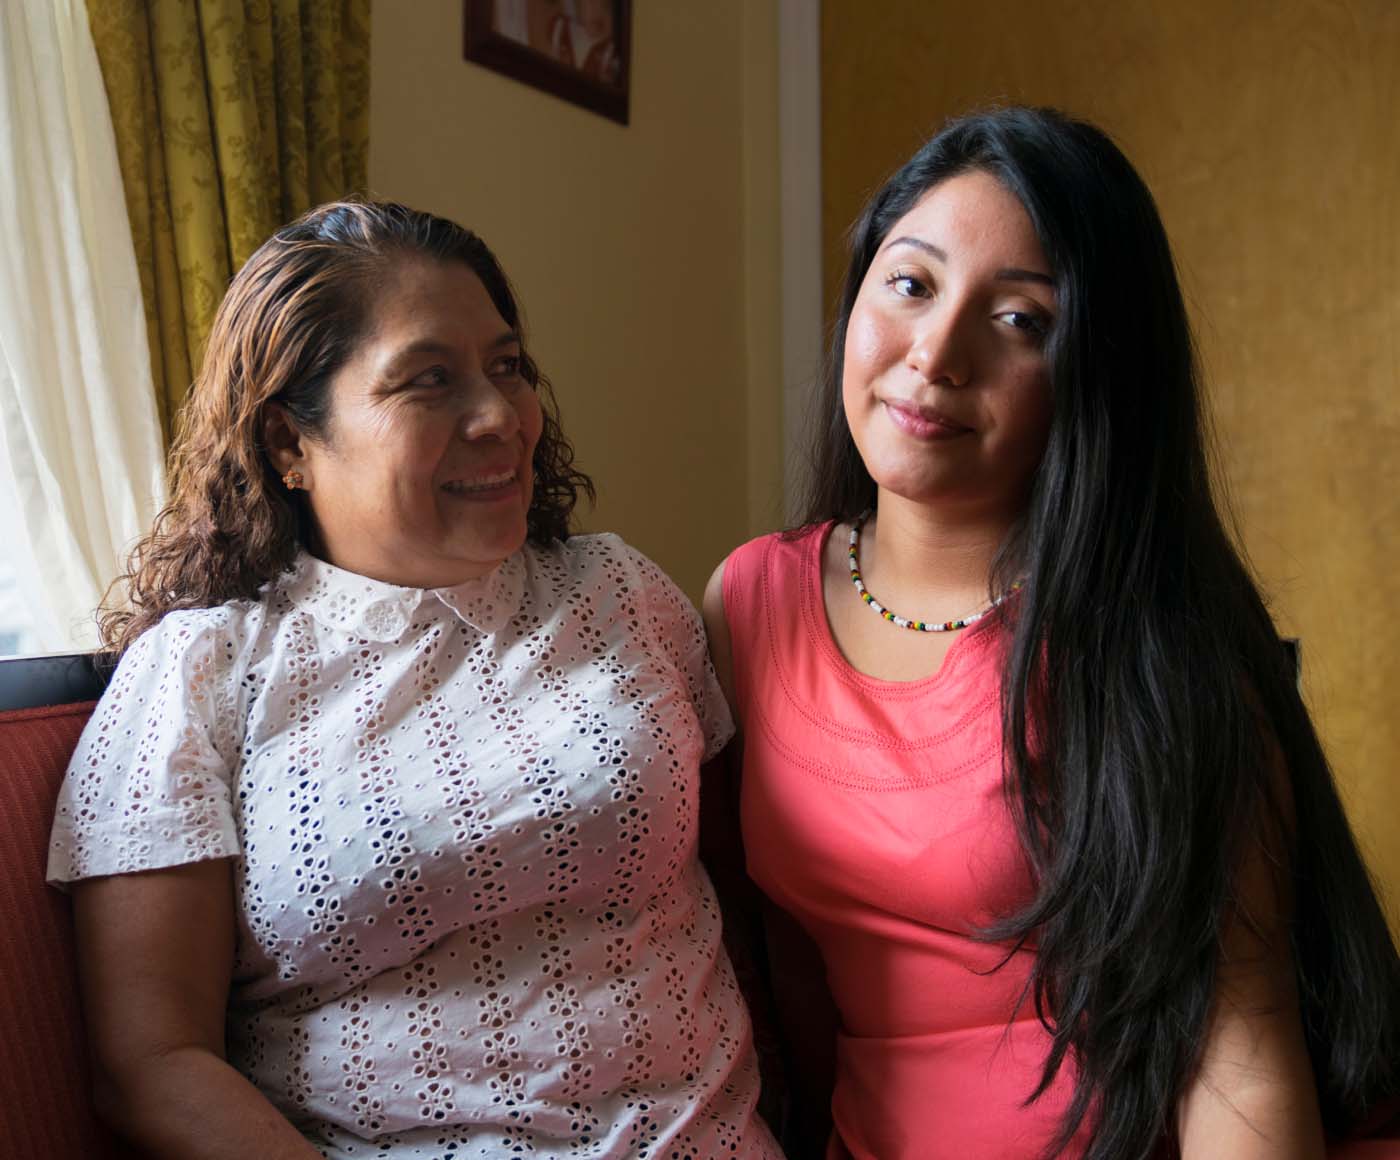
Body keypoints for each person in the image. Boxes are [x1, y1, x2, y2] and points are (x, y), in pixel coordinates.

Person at [703, 107, 1400, 1159]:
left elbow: (1239, 1045)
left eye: (1021, 320)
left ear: (1096, 373)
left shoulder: (1155, 641)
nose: (935, 353)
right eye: (910, 283)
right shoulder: (750, 601)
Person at [47, 200, 782, 1160]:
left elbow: (761, 887)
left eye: (507, 367)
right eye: (429, 380)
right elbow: (153, 1064)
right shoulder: (201, 673)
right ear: (287, 444)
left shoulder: (619, 591)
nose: (500, 416)